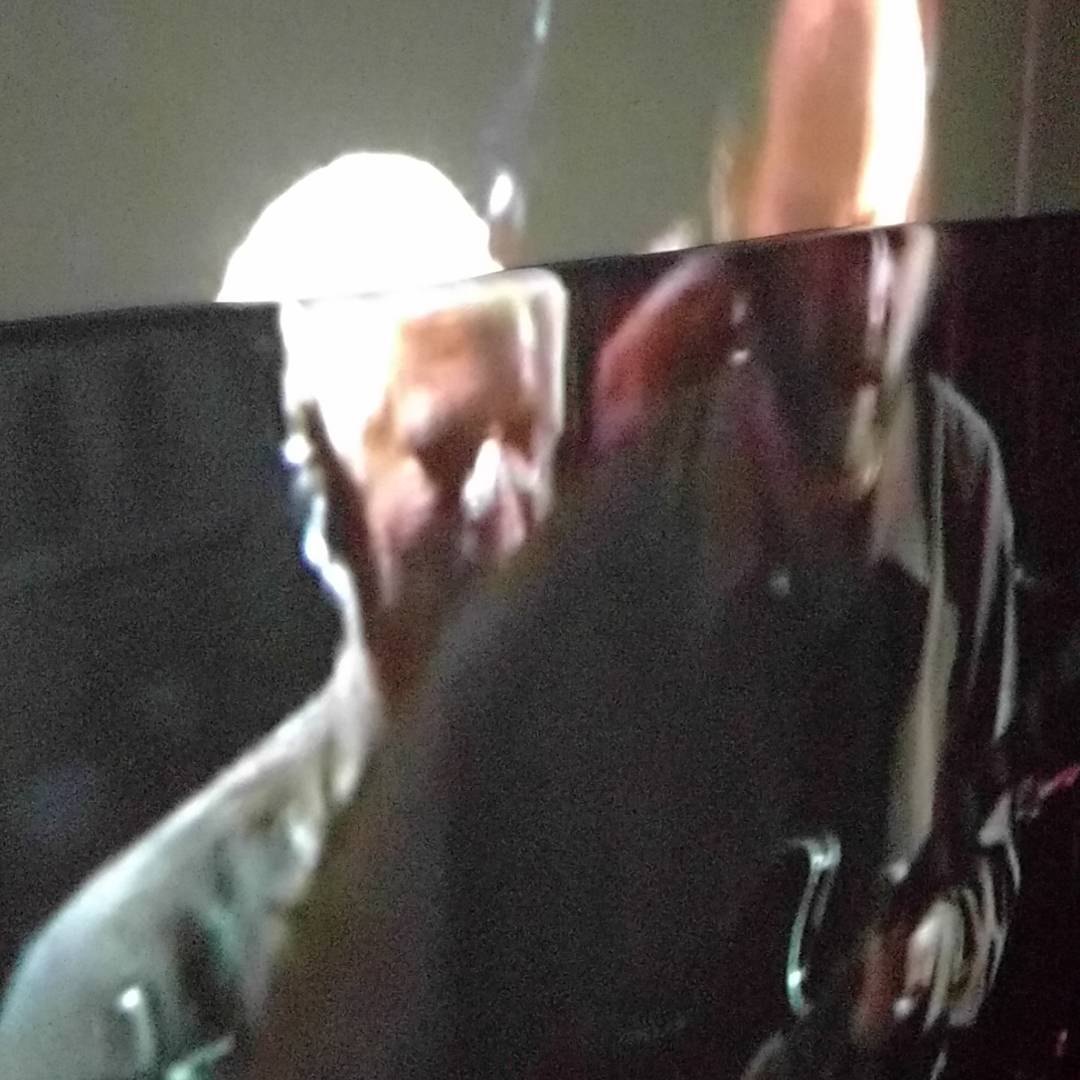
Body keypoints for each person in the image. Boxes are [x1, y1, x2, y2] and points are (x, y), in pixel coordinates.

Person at [246, 223, 1017, 1080]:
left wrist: (935, 965)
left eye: (902, 240)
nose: (872, 289)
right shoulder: (639, 508)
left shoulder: (959, 475)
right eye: (837, 243)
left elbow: (991, 844)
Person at [0, 156, 567, 1080]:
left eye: (526, 437)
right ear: (317, 490)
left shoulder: (637, 806)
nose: (503, 503)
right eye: (443, 453)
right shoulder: (122, 995)